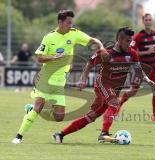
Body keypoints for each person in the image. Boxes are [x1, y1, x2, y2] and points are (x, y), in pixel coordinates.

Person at [11, 9, 105, 144]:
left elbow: (92, 40)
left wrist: (101, 47)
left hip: (60, 81)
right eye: (68, 23)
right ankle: (18, 137)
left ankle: (31, 110)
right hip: (45, 78)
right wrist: (53, 57)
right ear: (60, 22)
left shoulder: (74, 34)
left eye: (72, 23)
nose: (70, 25)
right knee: (38, 105)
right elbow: (39, 58)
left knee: (59, 117)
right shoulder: (49, 38)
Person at [52, 27, 155, 144]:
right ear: (120, 39)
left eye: (130, 40)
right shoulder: (106, 53)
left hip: (115, 89)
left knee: (91, 117)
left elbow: (138, 69)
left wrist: (147, 80)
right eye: (127, 41)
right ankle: (104, 134)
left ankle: (60, 134)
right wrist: (83, 79)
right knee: (114, 104)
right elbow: (89, 64)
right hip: (103, 84)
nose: (129, 44)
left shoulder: (132, 53)